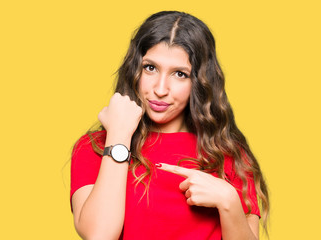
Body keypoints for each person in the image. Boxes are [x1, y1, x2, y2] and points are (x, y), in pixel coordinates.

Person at [70, 11, 270, 240]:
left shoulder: (229, 154)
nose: (161, 89)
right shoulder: (94, 147)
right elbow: (99, 236)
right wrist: (118, 137)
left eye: (180, 74)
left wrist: (229, 202)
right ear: (135, 69)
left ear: (200, 82)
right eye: (150, 68)